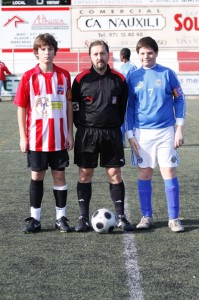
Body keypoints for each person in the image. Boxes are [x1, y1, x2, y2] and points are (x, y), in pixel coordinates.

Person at [72, 40, 135, 232]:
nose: (99, 57)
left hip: (111, 133)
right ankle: (83, 218)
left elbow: (123, 107)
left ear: (109, 55)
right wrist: (83, 126)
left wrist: (114, 125)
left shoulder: (119, 79)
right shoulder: (80, 79)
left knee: (114, 174)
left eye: (103, 53)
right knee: (85, 174)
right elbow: (74, 108)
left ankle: (122, 217)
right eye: (96, 54)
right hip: (87, 133)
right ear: (90, 56)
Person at [14, 33, 74, 233]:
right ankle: (35, 219)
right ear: (36, 52)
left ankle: (61, 217)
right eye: (43, 49)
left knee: (59, 175)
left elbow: (68, 106)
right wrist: (23, 137)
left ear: (55, 51)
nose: (47, 52)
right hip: (36, 138)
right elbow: (21, 107)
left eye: (50, 49)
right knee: (37, 176)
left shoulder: (64, 75)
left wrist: (69, 133)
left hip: (58, 138)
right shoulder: (28, 77)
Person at [126, 36, 186, 232]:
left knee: (168, 171)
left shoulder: (167, 74)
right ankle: (146, 216)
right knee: (145, 172)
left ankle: (174, 218)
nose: (146, 56)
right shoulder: (133, 77)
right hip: (142, 134)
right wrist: (130, 134)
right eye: (142, 53)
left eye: (150, 52)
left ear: (156, 53)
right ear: (138, 55)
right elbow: (129, 107)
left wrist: (179, 128)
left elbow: (179, 99)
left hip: (166, 132)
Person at [119, 48, 137, 147]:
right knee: (122, 118)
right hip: (123, 96)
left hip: (130, 97)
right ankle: (122, 141)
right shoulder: (123, 67)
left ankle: (134, 138)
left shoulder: (132, 67)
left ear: (122, 55)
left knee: (129, 118)